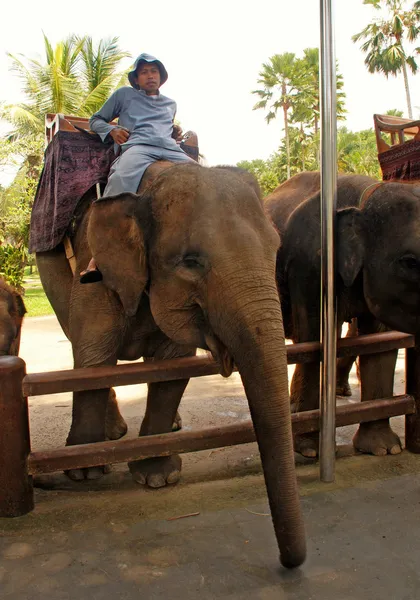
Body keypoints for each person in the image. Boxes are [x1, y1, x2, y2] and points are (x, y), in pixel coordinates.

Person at [80, 53, 194, 283]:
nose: (150, 76)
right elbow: (96, 120)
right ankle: (98, 255)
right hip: (138, 147)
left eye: (154, 71)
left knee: (205, 178)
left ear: (161, 77)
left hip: (170, 149)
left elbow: (165, 127)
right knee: (121, 180)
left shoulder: (170, 104)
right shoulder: (124, 95)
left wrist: (175, 130)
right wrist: (111, 130)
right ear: (136, 78)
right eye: (144, 72)